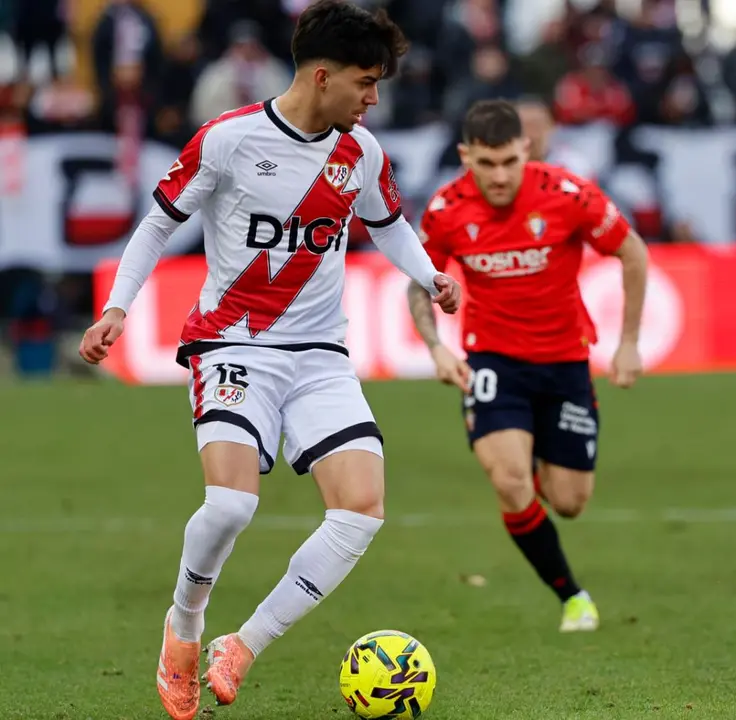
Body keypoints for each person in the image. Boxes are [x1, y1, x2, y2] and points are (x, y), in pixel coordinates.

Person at [77, 3, 461, 718]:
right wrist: (118, 308)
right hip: (234, 344)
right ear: (323, 76)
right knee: (229, 505)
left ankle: (242, 644)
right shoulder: (228, 140)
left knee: (362, 510)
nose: (373, 97)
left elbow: (388, 225)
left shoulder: (361, 153)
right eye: (365, 82)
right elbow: (158, 221)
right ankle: (183, 630)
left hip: (319, 353)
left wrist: (429, 273)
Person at [407, 99, 649, 632]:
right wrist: (436, 348)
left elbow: (633, 252)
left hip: (565, 362)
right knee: (511, 481)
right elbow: (419, 282)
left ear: (526, 150)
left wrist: (628, 342)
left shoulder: (567, 195)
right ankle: (573, 597)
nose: (499, 176)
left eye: (509, 162)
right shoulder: (446, 209)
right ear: (466, 156)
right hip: (494, 362)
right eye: (486, 164)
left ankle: (539, 448)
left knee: (569, 502)